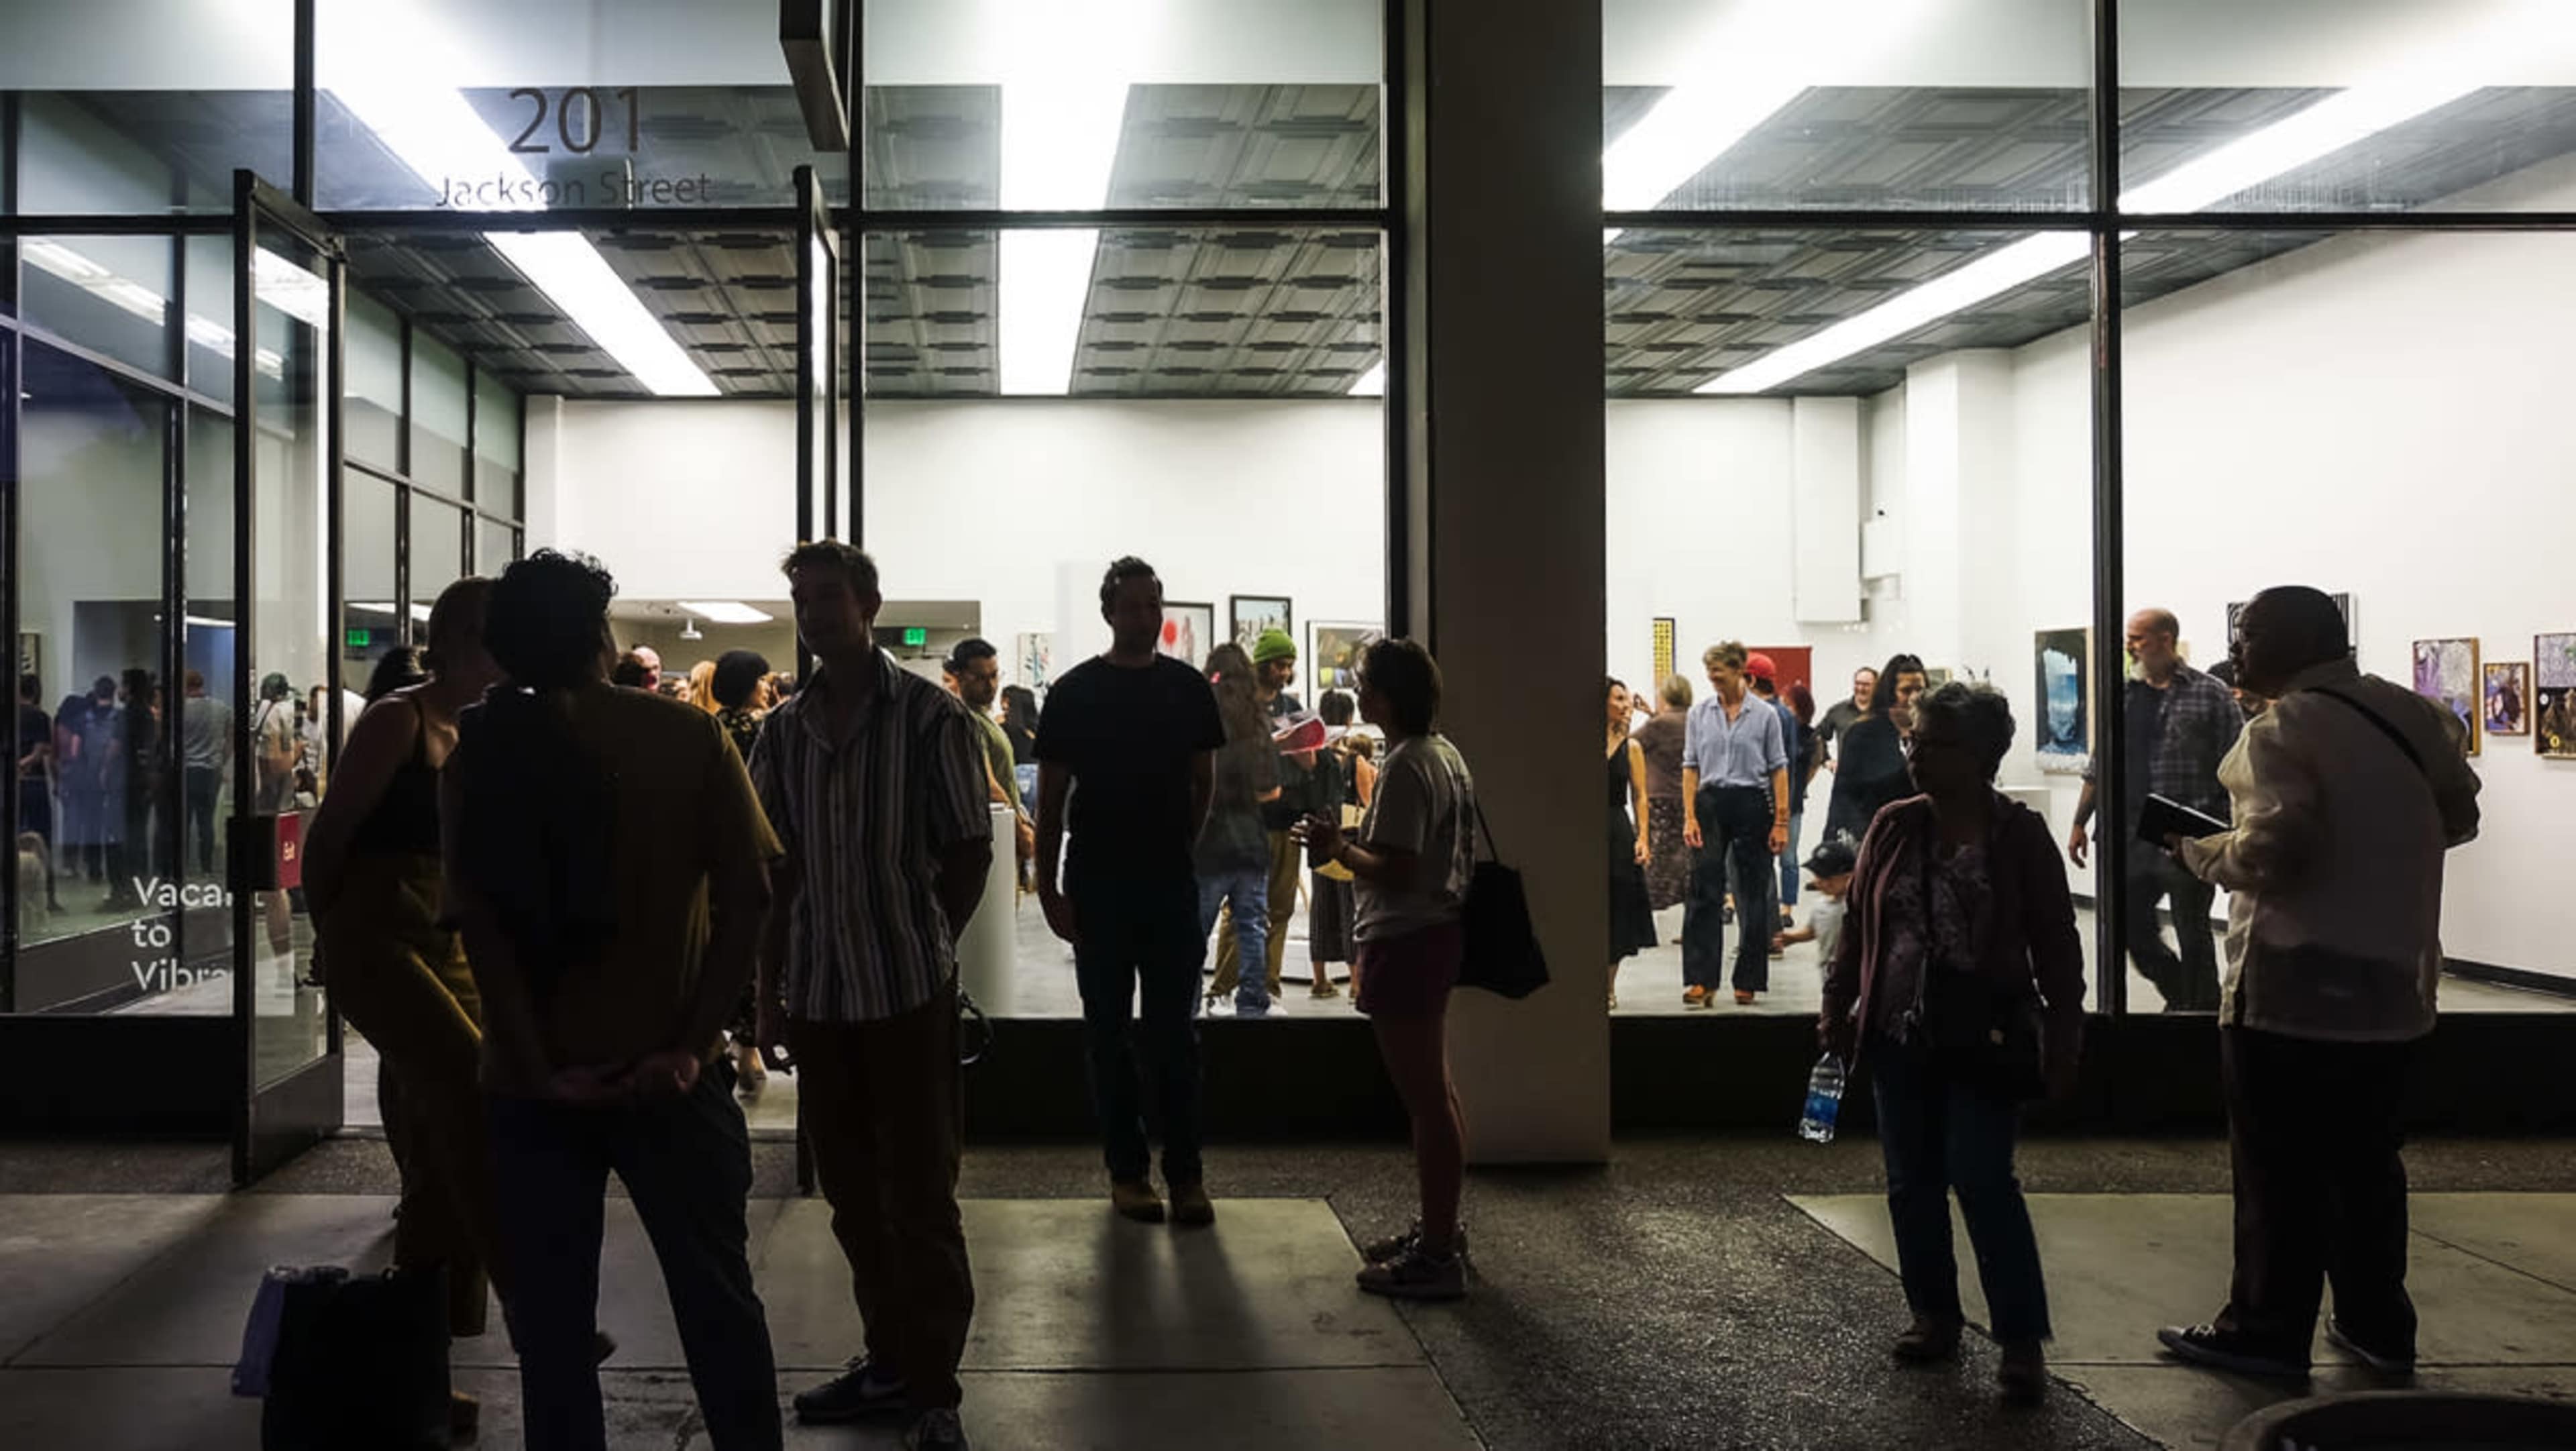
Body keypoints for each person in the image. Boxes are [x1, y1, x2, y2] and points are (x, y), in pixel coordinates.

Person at [443, 551, 784, 1451]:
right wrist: (691, 1044)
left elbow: (479, 928)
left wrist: (536, 1067)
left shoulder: (477, 748)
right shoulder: (687, 737)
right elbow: (751, 899)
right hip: (671, 1075)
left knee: (554, 1335)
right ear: (600, 637)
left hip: (532, 1088)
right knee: (718, 1302)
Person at [2155, 586, 2480, 1385]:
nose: (2237, 645)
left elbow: (2271, 854)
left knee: (2277, 1171)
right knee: (2369, 1166)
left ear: (2302, 639)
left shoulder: (2283, 727)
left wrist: (2196, 852)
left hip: (2290, 991)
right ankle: (2379, 1326)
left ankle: (2265, 1330)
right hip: (2393, 987)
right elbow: (2461, 818)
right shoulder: (2412, 715)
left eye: (2250, 631)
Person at [745, 542, 988, 1451]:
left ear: (870, 603)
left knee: (920, 1194)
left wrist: (924, 940)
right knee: (851, 1193)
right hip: (820, 995)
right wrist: (769, 998)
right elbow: (774, 874)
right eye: (802, 600)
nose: (815, 614)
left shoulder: (930, 718)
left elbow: (970, 848)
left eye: (830, 597)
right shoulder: (783, 731)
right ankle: (890, 1360)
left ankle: (934, 1386)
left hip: (906, 993)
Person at [1819, 682, 2086, 1406]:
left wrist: (2065, 1033)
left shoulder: (2018, 834)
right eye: (1914, 741)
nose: (1915, 757)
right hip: (1898, 1027)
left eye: (1932, 744)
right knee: (1910, 1182)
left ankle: (2021, 1338)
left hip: (1985, 1031)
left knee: (1983, 1178)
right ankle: (1934, 1315)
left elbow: (2058, 945)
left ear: (1980, 757)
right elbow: (1858, 926)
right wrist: (1837, 1006)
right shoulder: (1894, 825)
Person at [304, 579, 507, 1438]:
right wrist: (329, 936)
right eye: (498, 637)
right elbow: (330, 834)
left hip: (445, 940)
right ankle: (505, 1302)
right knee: (471, 1099)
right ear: (457, 639)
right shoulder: (400, 718)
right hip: (380, 937)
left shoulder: (485, 728)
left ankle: (418, 1363)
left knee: (438, 1143)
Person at [1034, 557, 1226, 1228]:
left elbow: (1204, 783)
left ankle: (1187, 1174)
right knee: (1108, 1033)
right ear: (1109, 610)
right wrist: (1050, 889)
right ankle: (1127, 1172)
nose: (1145, 617)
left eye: (1154, 605)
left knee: (1177, 1035)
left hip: (1167, 883)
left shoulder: (1187, 689)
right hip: (1099, 882)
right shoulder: (1075, 692)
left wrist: (1180, 849)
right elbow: (1051, 801)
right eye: (1134, 605)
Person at [1292, 638, 1475, 1301]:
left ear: (1389, 695)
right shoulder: (1444, 754)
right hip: (1434, 933)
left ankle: (1436, 1252)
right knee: (1438, 1092)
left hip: (1405, 938)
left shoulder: (1404, 766)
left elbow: (1396, 867)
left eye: (1366, 682)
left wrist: (1339, 846)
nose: (1358, 691)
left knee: (1426, 1100)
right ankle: (1440, 1231)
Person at [2068, 610, 2246, 1014]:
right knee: (2131, 928)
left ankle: (2196, 1015)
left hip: (2187, 836)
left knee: (2193, 932)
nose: (2130, 645)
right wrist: (2080, 821)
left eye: (2138, 638)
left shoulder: (2210, 693)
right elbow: (2100, 765)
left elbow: (2237, 769)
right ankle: (2186, 996)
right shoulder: (2124, 696)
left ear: (2166, 640)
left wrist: (2230, 838)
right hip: (2130, 837)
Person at [1211, 629, 1326, 1008]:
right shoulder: (1239, 706)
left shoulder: (1292, 706)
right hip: (1246, 822)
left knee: (1279, 908)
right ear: (1261, 664)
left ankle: (1268, 987)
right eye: (1279, 664)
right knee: (1240, 908)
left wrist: (1304, 749)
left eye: (1290, 665)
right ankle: (1223, 987)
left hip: (1287, 818)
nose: (1285, 672)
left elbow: (1309, 763)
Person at [1681, 643, 1789, 1008]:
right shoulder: (1699, 714)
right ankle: (1700, 979)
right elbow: (1690, 766)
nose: (1712, 677)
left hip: (1751, 802)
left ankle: (1748, 979)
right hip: (1710, 802)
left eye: (1718, 671)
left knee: (1752, 894)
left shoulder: (1765, 716)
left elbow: (1778, 768)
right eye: (1708, 670)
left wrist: (1781, 822)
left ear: (1740, 671)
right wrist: (1690, 815)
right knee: (1703, 891)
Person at [1196, 644, 1283, 1016]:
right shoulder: (1258, 720)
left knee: (1195, 931)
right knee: (1251, 928)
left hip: (1208, 843)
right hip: (1250, 842)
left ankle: (1188, 1005)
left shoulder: (1199, 715)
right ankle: (1252, 1005)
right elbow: (1272, 790)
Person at [943, 638, 1034, 880]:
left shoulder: (984, 719)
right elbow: (989, 785)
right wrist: (1020, 831)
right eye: (980, 678)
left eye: (994, 676)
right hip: (991, 837)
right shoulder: (965, 721)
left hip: (1002, 832)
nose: (990, 685)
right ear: (959, 676)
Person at [1305, 690, 1368, 1001]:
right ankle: (1356, 983)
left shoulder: (1312, 755)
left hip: (1317, 835)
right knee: (1349, 910)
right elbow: (1367, 803)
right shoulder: (1352, 760)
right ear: (1348, 718)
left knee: (1320, 908)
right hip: (1346, 838)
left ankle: (1319, 980)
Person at [1825, 655, 1929, 845]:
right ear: (1890, 694)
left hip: (1924, 837)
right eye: (1906, 691)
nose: (1914, 697)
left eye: (1920, 690)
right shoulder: (1862, 734)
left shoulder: (1933, 734)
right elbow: (1843, 793)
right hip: (1876, 836)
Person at [1605, 678, 1658, 1011]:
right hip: (1587, 827)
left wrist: (1643, 837)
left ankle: (1608, 986)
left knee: (1618, 907)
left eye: (1627, 699)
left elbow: (1640, 796)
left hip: (1616, 827)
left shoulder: (1632, 747)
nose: (1626, 705)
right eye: (1619, 698)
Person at [1746, 654, 1803, 938]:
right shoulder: (1785, 714)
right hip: (1781, 802)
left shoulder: (1768, 715)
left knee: (1762, 872)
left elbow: (1775, 767)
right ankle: (1771, 933)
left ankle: (1768, 935)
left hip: (1767, 804)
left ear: (1752, 680)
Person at [1633, 675, 1693, 918]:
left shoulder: (1658, 726)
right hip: (1688, 798)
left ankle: (1649, 908)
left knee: (1656, 856)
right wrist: (1652, 714)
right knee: (1687, 858)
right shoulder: (1693, 721)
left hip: (1660, 798)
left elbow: (1631, 745)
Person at [1772, 837, 1856, 988]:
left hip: (1851, 969)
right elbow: (1812, 931)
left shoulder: (1856, 905)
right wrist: (1793, 938)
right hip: (1827, 967)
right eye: (1817, 876)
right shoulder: (1820, 906)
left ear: (1848, 877)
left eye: (1827, 878)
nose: (1820, 882)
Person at [178, 670, 233, 878]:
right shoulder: (221, 708)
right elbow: (230, 738)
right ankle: (207, 866)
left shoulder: (180, 709)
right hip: (211, 771)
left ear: (186, 686)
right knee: (206, 821)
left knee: (184, 820)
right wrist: (222, 759)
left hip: (188, 770)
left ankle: (181, 865)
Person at [17, 674, 60, 913]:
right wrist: (27, 762)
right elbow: (43, 749)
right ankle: (49, 897)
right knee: (41, 840)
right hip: (34, 781)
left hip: (13, 783)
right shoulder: (41, 717)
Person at [1818, 665, 1879, 771]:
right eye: (1857, 683)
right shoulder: (1838, 711)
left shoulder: (1886, 712)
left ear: (1877, 686)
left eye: (1866, 685)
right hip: (1847, 780)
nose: (1860, 688)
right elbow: (1816, 736)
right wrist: (1826, 761)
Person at [1000, 684, 1041, 817]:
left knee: (1022, 819)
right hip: (1041, 773)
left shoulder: (1004, 727)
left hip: (1020, 774)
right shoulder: (1038, 727)